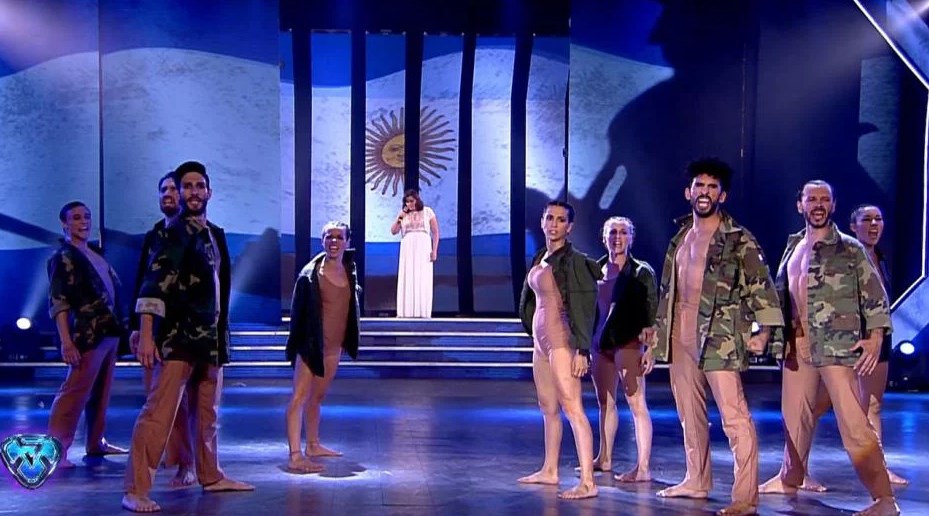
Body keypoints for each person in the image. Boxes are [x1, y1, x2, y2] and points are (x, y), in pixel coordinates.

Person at [759, 182, 900, 516]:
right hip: (797, 346)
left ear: (833, 206)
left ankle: (884, 499)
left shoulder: (850, 248)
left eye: (825, 199)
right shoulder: (793, 247)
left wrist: (875, 337)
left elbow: (876, 296)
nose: (818, 205)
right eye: (812, 199)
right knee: (795, 418)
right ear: (801, 205)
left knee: (854, 423)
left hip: (836, 346)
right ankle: (789, 478)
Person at [651, 158, 783, 516]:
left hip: (720, 335)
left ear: (722, 196)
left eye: (712, 187)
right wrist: (657, 335)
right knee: (689, 414)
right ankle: (696, 480)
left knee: (734, 417)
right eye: (700, 185)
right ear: (688, 192)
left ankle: (745, 497)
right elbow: (669, 291)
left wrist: (764, 332)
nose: (705, 192)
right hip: (680, 334)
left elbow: (761, 287)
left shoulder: (739, 239)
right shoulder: (681, 237)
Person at [122, 161, 253, 513]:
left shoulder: (214, 234)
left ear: (209, 192)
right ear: (179, 194)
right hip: (178, 339)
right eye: (187, 186)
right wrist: (145, 334)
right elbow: (153, 285)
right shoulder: (173, 233)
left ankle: (210, 475)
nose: (194, 192)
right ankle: (135, 489)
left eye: (199, 186)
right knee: (158, 414)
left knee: (208, 414)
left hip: (210, 340)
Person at [794, 204, 907, 491]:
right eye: (866, 219)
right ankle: (796, 470)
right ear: (853, 226)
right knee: (816, 407)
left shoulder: (879, 258)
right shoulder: (842, 253)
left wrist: (878, 336)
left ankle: (879, 470)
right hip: (844, 341)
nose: (874, 224)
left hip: (876, 340)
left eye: (878, 219)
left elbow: (878, 302)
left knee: (872, 406)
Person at [517, 200, 601, 500]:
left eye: (561, 220)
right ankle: (550, 470)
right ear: (542, 221)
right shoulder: (542, 256)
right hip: (541, 342)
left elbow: (584, 307)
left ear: (570, 226)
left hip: (562, 340)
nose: (554, 224)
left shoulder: (574, 261)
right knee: (548, 406)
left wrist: (582, 349)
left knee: (572, 407)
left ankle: (588, 482)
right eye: (549, 218)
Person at [46, 201, 128, 468]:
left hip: (109, 332)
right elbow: (59, 301)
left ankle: (96, 442)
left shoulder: (94, 254)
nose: (83, 222)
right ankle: (55, 450)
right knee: (74, 392)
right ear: (65, 224)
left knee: (101, 393)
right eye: (77, 218)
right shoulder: (63, 257)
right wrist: (66, 341)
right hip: (87, 334)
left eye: (86, 217)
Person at [128, 172, 196, 488]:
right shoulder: (156, 235)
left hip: (187, 333)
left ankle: (187, 463)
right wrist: (139, 328)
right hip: (157, 333)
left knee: (187, 406)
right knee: (159, 404)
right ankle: (153, 474)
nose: (168, 193)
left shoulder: (192, 232)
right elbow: (146, 282)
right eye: (163, 189)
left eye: (173, 188)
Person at [284, 221, 361, 474]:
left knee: (317, 397)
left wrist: (346, 341)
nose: (334, 241)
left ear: (347, 242)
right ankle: (295, 456)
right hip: (310, 345)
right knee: (298, 398)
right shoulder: (310, 274)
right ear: (322, 241)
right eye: (329, 237)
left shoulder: (350, 270)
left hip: (333, 349)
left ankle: (313, 445)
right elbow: (297, 314)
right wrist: (297, 347)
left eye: (339, 237)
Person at [589, 216, 657, 482]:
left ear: (631, 238)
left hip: (628, 342)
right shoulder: (595, 270)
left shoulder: (641, 272)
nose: (617, 237)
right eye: (612, 232)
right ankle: (604, 458)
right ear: (603, 237)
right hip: (600, 344)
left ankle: (643, 468)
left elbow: (651, 311)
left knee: (636, 403)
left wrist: (650, 348)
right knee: (605, 402)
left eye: (623, 232)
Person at [391, 189, 439, 318]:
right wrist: (400, 217)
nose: (409, 204)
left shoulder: (427, 212)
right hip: (408, 247)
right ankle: (406, 311)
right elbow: (394, 231)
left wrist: (434, 250)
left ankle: (422, 311)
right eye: (407, 202)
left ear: (417, 200)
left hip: (423, 246)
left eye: (411, 201)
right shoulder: (403, 214)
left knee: (422, 276)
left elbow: (435, 232)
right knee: (408, 276)